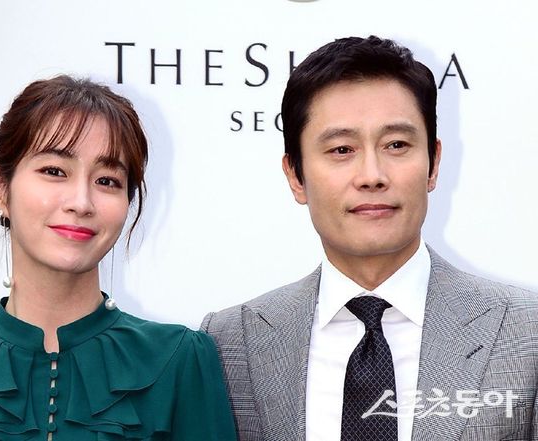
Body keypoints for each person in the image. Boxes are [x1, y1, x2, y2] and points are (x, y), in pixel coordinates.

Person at [202, 36, 538, 441]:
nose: (372, 175)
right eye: (342, 150)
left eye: (396, 145)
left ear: (433, 164)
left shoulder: (526, 333)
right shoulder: (229, 341)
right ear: (296, 176)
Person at [0, 76, 237, 441]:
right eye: (54, 171)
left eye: (107, 180)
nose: (81, 202)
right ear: (0, 187)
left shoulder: (180, 363)